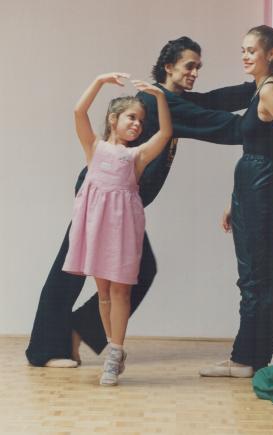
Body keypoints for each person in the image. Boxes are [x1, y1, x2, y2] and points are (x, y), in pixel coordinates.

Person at [26, 36, 256, 368]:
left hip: (122, 203)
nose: (195, 73)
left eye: (198, 67)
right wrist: (261, 118)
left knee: (131, 269)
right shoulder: (157, 102)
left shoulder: (170, 101)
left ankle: (74, 332)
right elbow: (214, 121)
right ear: (168, 67)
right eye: (189, 66)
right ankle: (45, 349)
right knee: (73, 268)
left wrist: (256, 89)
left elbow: (209, 102)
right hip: (100, 195)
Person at [199, 25, 273, 378]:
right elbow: (259, 147)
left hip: (261, 189)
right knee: (252, 276)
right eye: (242, 50)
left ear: (271, 54)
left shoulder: (271, 91)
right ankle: (246, 356)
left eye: (252, 50)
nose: (245, 56)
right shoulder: (259, 91)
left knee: (258, 277)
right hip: (249, 189)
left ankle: (250, 358)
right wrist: (235, 202)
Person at [62, 73, 172, 385]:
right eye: (131, 118)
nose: (137, 124)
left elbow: (165, 133)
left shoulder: (136, 155)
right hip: (96, 224)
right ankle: (114, 348)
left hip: (124, 226)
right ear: (113, 119)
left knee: (122, 289)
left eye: (140, 120)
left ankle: (114, 353)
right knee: (105, 292)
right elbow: (78, 112)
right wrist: (97, 82)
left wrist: (161, 97)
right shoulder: (94, 147)